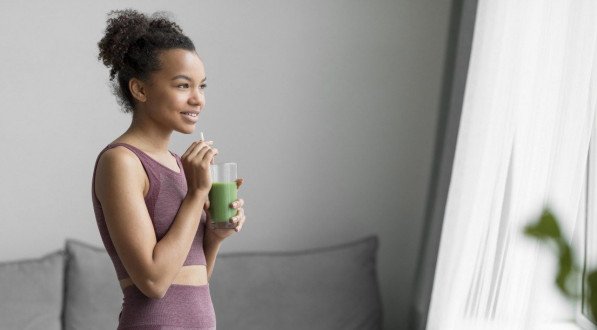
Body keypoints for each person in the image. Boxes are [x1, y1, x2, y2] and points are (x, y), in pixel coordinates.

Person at [91, 9, 246, 329]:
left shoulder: (180, 164)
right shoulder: (121, 162)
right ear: (141, 90)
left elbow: (192, 281)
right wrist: (196, 195)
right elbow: (154, 281)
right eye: (182, 85)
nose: (198, 99)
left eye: (202, 86)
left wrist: (214, 237)